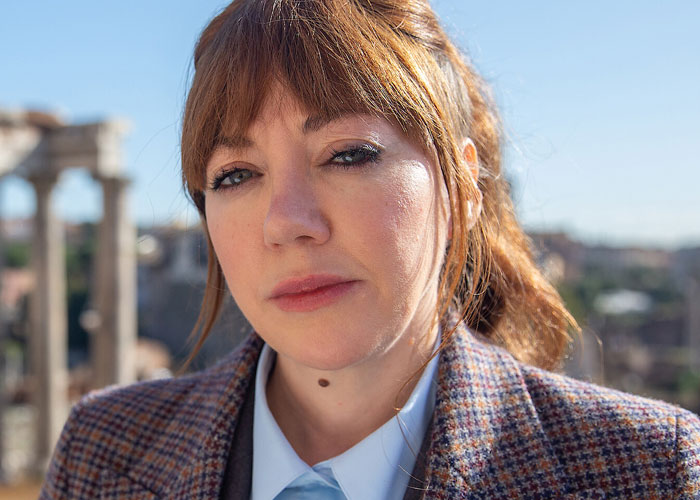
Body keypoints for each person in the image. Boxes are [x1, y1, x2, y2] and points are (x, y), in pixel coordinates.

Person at [41, 0, 700, 498]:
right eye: (236, 175)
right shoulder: (101, 454)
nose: (287, 223)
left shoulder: (654, 472)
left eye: (349, 154)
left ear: (462, 186)